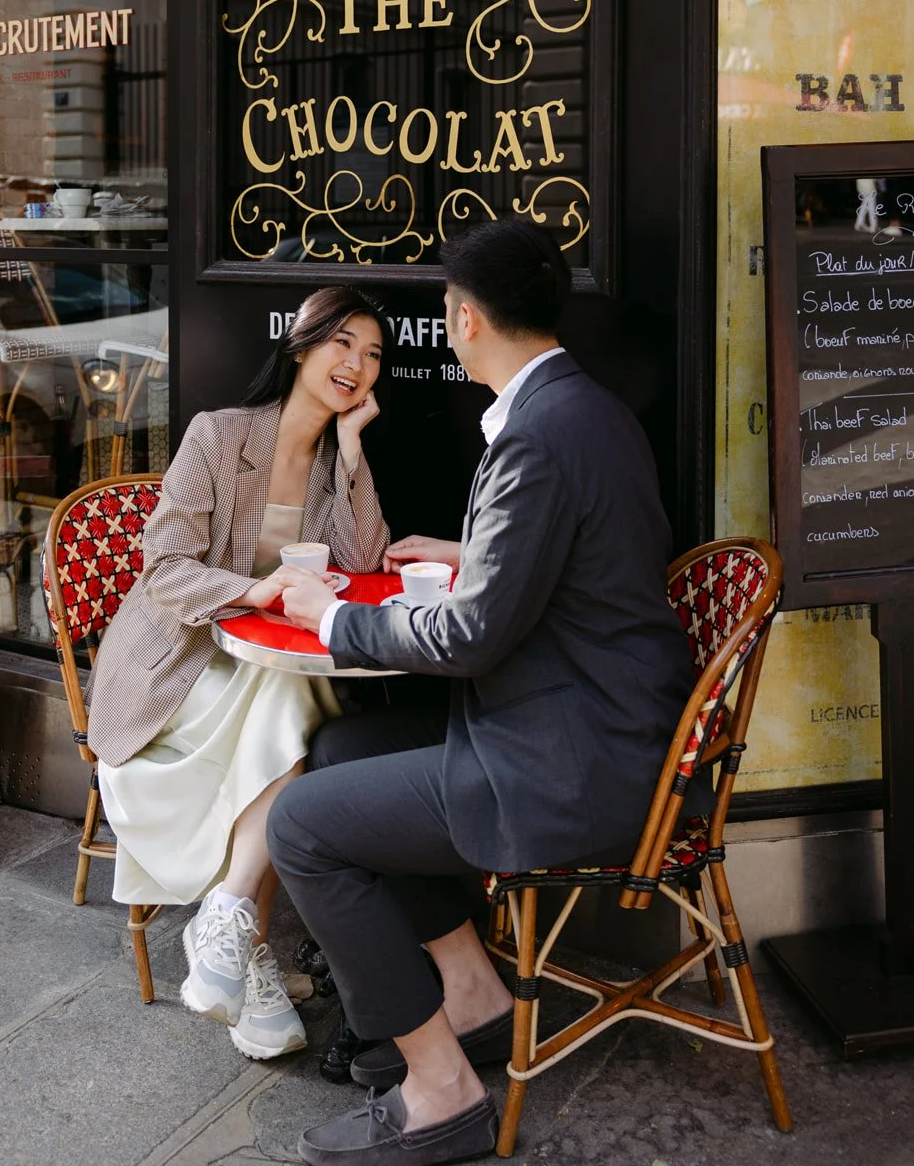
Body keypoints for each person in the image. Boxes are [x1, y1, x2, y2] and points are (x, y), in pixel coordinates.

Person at [260, 220, 693, 1166]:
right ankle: (473, 995)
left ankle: (439, 1089)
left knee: (301, 826)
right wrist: (477, 555)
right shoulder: (587, 408)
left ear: (461, 320)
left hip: (569, 758)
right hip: (600, 722)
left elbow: (468, 637)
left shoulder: (539, 435)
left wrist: (330, 617)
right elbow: (588, 560)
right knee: (341, 751)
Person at [85, 286, 390, 1062]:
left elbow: (357, 568)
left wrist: (352, 453)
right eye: (341, 344)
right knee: (298, 703)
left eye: (374, 354)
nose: (356, 365)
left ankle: (229, 931)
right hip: (176, 667)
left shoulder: (331, 466)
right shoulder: (218, 436)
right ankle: (236, 938)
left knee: (292, 693)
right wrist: (252, 592)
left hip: (258, 676)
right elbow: (165, 570)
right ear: (300, 347)